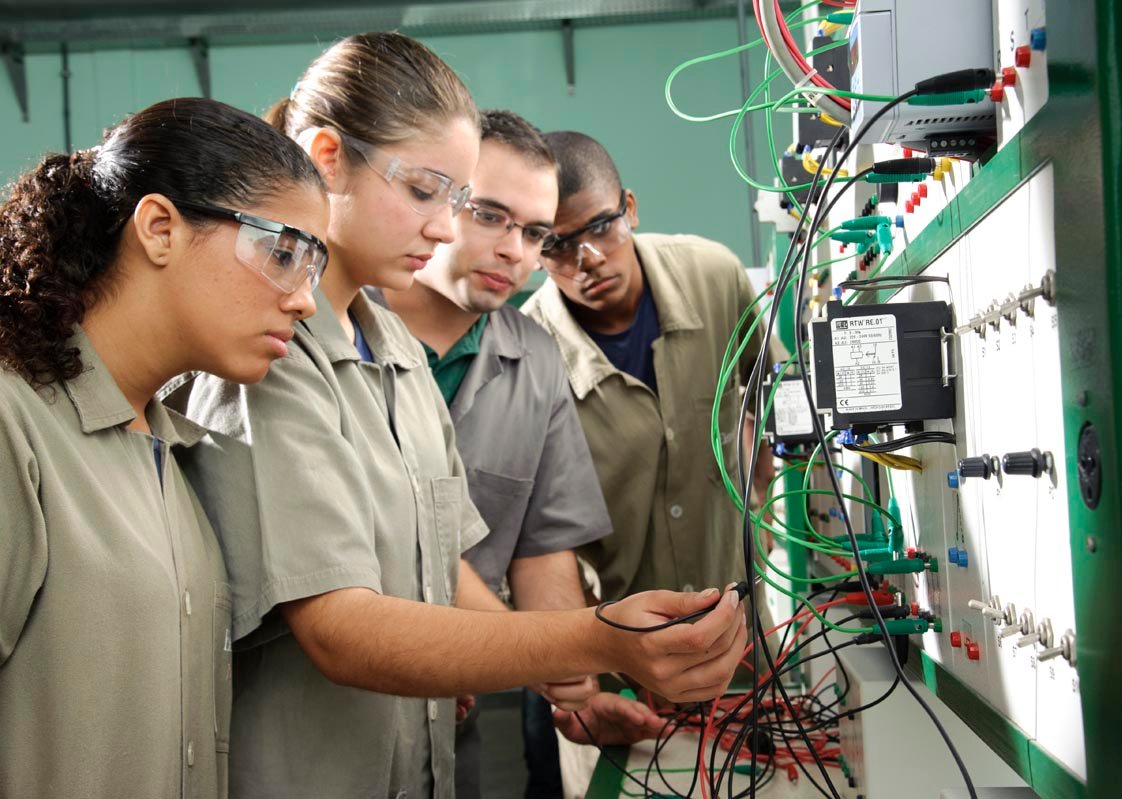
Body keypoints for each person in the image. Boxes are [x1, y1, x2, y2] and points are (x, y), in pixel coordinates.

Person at [170, 32, 746, 799]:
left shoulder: (396, 358)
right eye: (425, 192)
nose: (445, 229)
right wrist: (599, 636)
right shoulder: (266, 354)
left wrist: (572, 687)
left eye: (454, 199)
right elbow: (340, 628)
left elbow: (440, 562)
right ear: (327, 155)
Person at [0, 97, 328, 798]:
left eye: (313, 268)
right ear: (159, 228)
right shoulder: (13, 424)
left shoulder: (165, 451)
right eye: (284, 254)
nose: (305, 301)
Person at [373, 109, 608, 799]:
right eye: (490, 215)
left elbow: (542, 545)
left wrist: (576, 686)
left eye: (535, 233)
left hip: (458, 720)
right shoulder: (326, 332)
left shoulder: (535, 361)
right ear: (436, 198)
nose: (517, 252)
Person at [523, 130, 785, 634]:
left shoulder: (715, 277)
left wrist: (763, 511)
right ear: (535, 248)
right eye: (558, 245)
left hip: (741, 635)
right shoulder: (526, 354)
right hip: (616, 656)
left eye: (602, 226)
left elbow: (778, 393)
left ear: (630, 208)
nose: (590, 259)